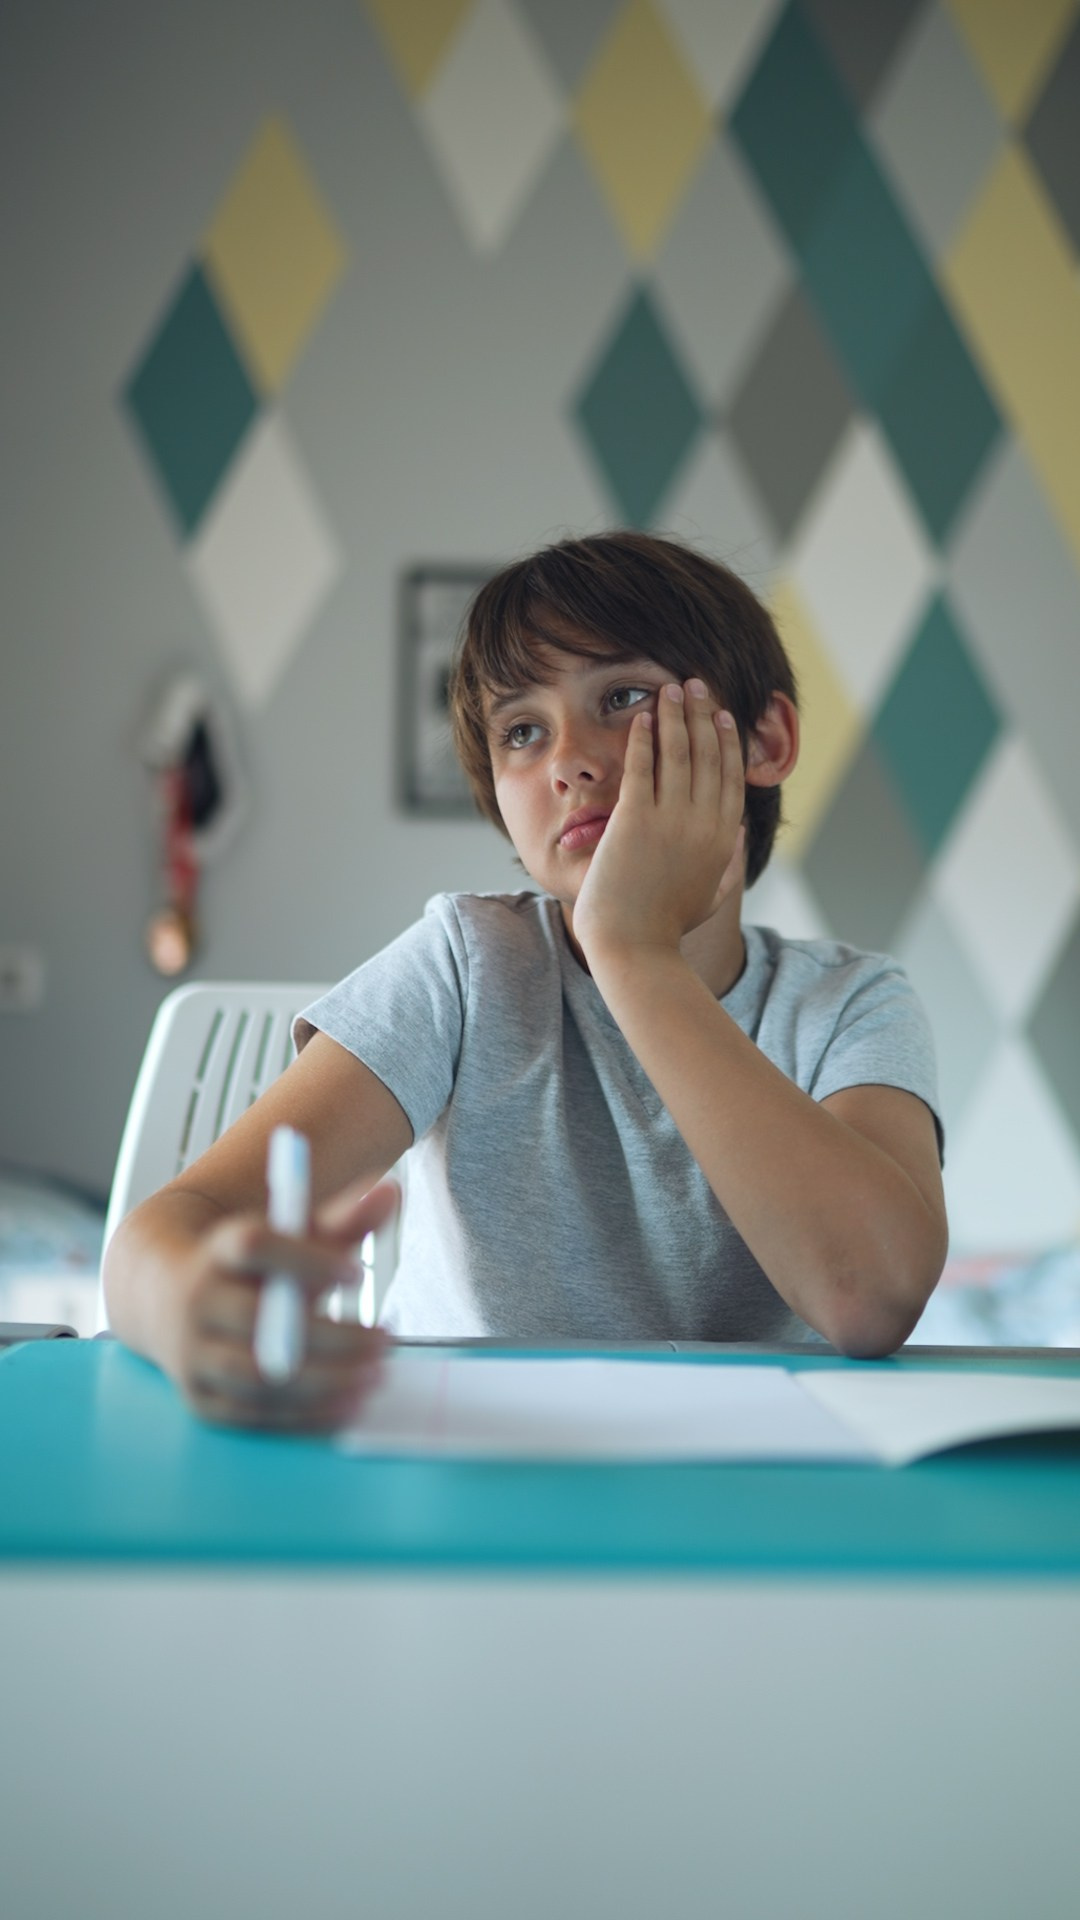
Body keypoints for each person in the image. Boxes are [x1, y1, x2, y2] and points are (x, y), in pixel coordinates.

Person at [104, 531, 947, 1429]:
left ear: (765, 742)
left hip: (745, 1479)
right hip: (472, 1459)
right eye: (522, 732)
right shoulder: (466, 966)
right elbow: (166, 1231)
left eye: (621, 697)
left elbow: (871, 1296)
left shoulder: (851, 1003)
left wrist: (635, 954)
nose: (567, 761)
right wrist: (186, 1302)